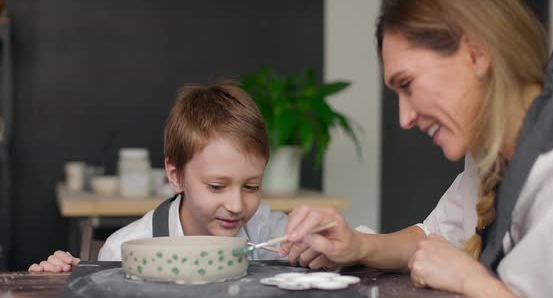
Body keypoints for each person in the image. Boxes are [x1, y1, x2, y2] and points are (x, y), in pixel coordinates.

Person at [281, 0, 553, 297]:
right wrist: (355, 245)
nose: (404, 119)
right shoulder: (491, 149)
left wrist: (474, 283)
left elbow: (454, 265)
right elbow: (433, 239)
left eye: (407, 84)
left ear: (476, 53)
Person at [29, 82, 330, 272]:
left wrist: (324, 245)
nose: (237, 205)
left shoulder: (269, 233)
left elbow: (351, 247)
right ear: (175, 175)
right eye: (216, 186)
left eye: (252, 186)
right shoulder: (126, 250)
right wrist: (63, 279)